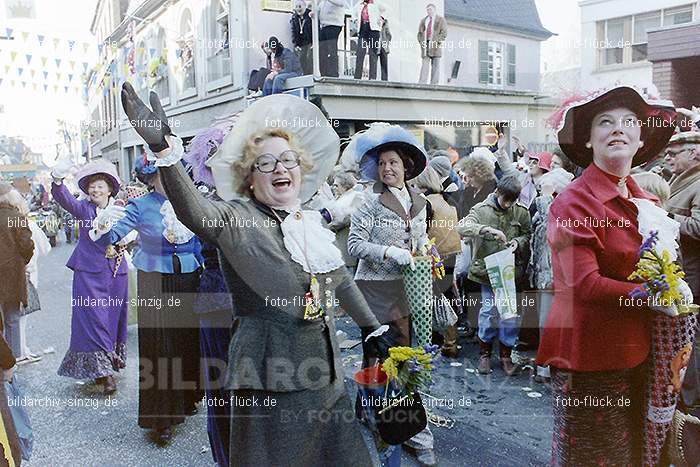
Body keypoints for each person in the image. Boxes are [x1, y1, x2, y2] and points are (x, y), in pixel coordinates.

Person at [120, 86, 392, 466]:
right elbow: (195, 212)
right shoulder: (237, 218)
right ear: (249, 178)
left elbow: (338, 278)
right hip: (271, 380)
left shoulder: (308, 222)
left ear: (301, 168)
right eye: (266, 163)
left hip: (325, 378)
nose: (280, 168)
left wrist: (372, 327)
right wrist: (165, 150)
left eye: (288, 160)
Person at [537, 85, 684, 465]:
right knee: (595, 456)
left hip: (638, 349)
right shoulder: (574, 201)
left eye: (629, 122)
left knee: (635, 452)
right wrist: (652, 296)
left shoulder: (643, 199)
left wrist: (673, 285)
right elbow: (583, 284)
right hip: (590, 356)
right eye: (605, 122)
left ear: (640, 137)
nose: (618, 129)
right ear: (587, 140)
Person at [346, 124, 437, 466]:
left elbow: (420, 239)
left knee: (405, 356)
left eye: (394, 162)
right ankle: (383, 420)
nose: (387, 168)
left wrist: (426, 248)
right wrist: (387, 252)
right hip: (374, 290)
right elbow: (355, 245)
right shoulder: (368, 203)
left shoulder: (420, 201)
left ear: (407, 166)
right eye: (382, 163)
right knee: (379, 356)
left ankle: (401, 422)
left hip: (409, 289)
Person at [50, 160, 128, 394]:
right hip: (89, 273)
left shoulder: (123, 209)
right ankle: (105, 374)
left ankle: (105, 364)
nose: (95, 190)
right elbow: (64, 199)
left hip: (116, 271)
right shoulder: (83, 209)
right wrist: (57, 180)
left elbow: (136, 230)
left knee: (112, 318)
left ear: (110, 188)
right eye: (92, 186)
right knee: (94, 320)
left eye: (100, 186)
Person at [457, 175, 531, 375]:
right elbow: (461, 226)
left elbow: (527, 234)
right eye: (505, 199)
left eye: (512, 201)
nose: (508, 204)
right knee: (488, 313)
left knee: (509, 315)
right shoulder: (481, 210)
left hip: (510, 273)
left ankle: (506, 356)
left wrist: (517, 243)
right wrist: (485, 229)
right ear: (497, 192)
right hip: (487, 273)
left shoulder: (521, 212)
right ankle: (485, 355)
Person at [528, 168, 573, 383]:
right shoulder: (545, 208)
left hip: (556, 275)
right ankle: (545, 365)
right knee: (544, 321)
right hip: (543, 272)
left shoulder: (563, 209)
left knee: (551, 322)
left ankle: (549, 367)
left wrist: (545, 197)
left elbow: (552, 229)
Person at [0, 182, 34, 359]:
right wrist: (22, 262)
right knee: (12, 318)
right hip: (12, 275)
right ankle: (13, 359)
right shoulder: (16, 217)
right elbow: (27, 246)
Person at [352, 0, 384, 80]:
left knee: (372, 53)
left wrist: (381, 19)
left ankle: (372, 77)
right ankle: (357, 76)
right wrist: (355, 20)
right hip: (363, 28)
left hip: (374, 30)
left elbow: (385, 11)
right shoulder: (359, 4)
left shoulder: (377, 3)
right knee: (360, 52)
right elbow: (353, 12)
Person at [417, 3, 447, 85]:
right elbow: (420, 33)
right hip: (426, 44)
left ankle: (434, 85)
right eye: (427, 10)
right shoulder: (424, 20)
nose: (429, 11)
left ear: (434, 10)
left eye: (430, 9)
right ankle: (421, 84)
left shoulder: (440, 20)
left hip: (435, 45)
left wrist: (437, 41)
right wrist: (421, 42)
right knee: (424, 65)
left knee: (435, 66)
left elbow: (444, 33)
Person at [317, 0, 345, 77]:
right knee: (322, 51)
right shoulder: (323, 2)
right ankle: (323, 73)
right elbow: (319, 9)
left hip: (334, 25)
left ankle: (333, 73)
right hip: (324, 26)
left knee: (332, 49)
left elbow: (341, 3)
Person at [290, 0, 313, 75]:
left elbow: (315, 29)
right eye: (296, 7)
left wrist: (314, 42)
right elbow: (294, 32)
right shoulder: (294, 18)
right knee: (300, 58)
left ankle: (309, 75)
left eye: (300, 6)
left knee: (309, 58)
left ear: (305, 7)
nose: (298, 9)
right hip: (301, 43)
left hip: (310, 41)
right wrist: (296, 44)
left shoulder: (310, 16)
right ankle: (301, 74)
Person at [378, 16, 391, 81]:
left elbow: (389, 36)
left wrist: (388, 37)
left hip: (384, 47)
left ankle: (384, 80)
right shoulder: (375, 24)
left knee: (384, 64)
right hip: (376, 46)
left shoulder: (385, 25)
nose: (381, 20)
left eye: (382, 19)